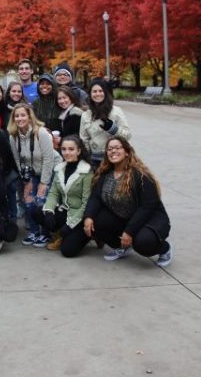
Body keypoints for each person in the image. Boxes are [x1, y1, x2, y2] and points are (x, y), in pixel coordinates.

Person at [83, 137, 172, 267]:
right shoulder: (104, 173)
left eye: (117, 147)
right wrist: (88, 217)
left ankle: (165, 249)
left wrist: (129, 231)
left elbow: (148, 207)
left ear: (127, 152)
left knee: (142, 243)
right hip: (125, 218)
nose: (113, 151)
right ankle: (123, 247)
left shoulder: (141, 176)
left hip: (150, 220)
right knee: (95, 221)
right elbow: (95, 197)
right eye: (110, 149)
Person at [8, 103, 61, 247]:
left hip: (48, 170)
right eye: (16, 116)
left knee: (42, 200)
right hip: (31, 172)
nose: (20, 118)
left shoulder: (41, 133)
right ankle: (33, 231)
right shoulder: (13, 137)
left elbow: (49, 159)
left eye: (23, 115)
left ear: (30, 116)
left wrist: (44, 183)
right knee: (29, 201)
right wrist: (26, 181)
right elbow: (18, 160)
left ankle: (45, 234)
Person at [32, 136, 93, 255]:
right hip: (65, 210)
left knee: (67, 251)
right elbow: (53, 193)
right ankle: (61, 234)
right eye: (64, 149)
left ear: (79, 151)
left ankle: (91, 236)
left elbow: (87, 202)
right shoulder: (60, 168)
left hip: (80, 216)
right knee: (37, 212)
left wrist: (70, 226)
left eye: (71, 149)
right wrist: (49, 211)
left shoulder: (87, 171)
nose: (67, 152)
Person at [80, 79, 131, 166]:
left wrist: (114, 129)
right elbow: (84, 139)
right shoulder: (86, 115)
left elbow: (127, 135)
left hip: (116, 157)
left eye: (100, 91)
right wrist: (87, 157)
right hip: (95, 158)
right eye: (94, 91)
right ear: (90, 94)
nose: (97, 94)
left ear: (105, 92)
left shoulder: (116, 111)